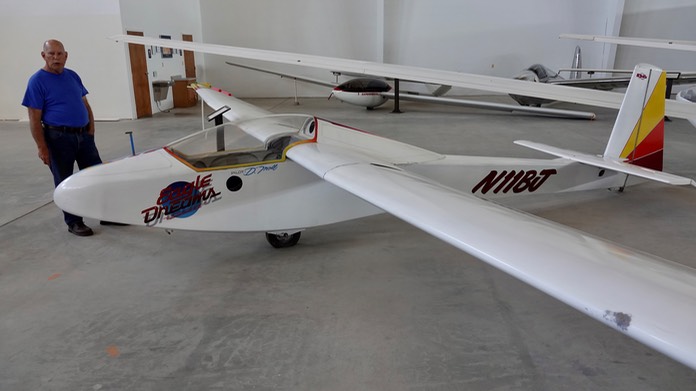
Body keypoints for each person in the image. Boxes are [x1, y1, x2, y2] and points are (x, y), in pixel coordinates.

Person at [22, 39, 102, 236]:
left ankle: (107, 215)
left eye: (59, 54)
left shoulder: (72, 76)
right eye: (51, 54)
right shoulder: (37, 81)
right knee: (65, 181)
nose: (56, 58)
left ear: (66, 55)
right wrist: (42, 147)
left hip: (84, 136)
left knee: (98, 177)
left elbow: (85, 103)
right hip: (58, 138)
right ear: (44, 56)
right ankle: (74, 222)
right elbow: (34, 118)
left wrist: (90, 129)